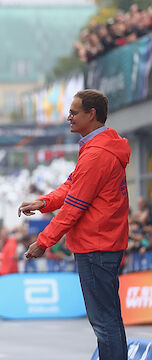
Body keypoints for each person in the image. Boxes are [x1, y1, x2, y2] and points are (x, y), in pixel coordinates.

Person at [19, 89, 130, 360]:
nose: (68, 117)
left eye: (73, 112)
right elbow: (72, 186)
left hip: (96, 246)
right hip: (102, 244)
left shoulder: (96, 154)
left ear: (91, 115)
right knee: (107, 321)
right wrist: (44, 203)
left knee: (105, 323)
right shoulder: (97, 147)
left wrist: (43, 242)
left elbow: (75, 206)